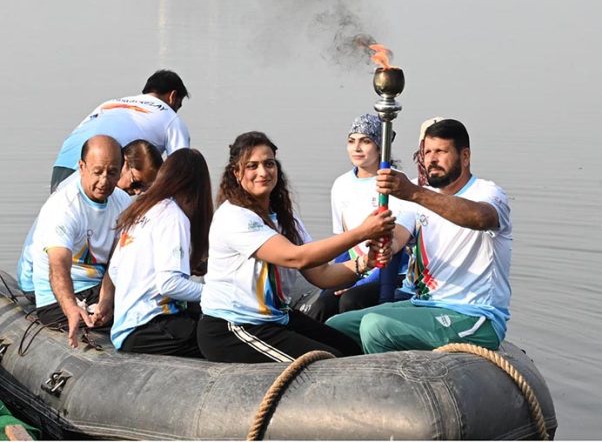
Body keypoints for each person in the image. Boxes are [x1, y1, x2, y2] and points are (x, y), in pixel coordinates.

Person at [197, 131, 395, 363]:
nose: (263, 172)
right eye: (252, 166)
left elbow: (321, 274)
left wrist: (365, 263)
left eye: (269, 164)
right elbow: (296, 258)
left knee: (349, 349)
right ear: (237, 173)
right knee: (328, 363)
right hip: (233, 327)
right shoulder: (234, 216)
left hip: (277, 318)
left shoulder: (284, 218)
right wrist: (362, 232)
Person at [326, 119, 512, 353]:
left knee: (375, 327)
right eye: (427, 152)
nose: (431, 159)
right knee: (336, 326)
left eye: (441, 152)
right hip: (424, 305)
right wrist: (383, 246)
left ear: (465, 157)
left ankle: (389, 387)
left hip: (474, 316)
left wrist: (414, 192)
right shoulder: (419, 200)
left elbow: (481, 218)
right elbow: (397, 239)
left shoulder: (488, 192)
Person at [16, 139, 163, 300]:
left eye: (145, 188)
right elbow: (54, 259)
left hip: (90, 277)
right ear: (123, 164)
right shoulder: (73, 197)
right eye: (136, 182)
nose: (137, 192)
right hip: (44, 283)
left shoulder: (119, 199)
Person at [108, 148, 213, 357]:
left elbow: (115, 270)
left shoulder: (141, 209)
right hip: (152, 327)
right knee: (220, 334)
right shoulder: (174, 216)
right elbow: (168, 284)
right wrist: (219, 294)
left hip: (125, 326)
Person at [30, 135, 132, 347]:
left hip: (97, 288)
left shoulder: (122, 201)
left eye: (112, 172)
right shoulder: (64, 207)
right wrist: (70, 307)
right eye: (97, 172)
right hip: (60, 297)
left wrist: (106, 299)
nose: (104, 181)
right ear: (81, 167)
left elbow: (117, 260)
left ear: (122, 169)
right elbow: (58, 264)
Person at [305, 113, 408, 322]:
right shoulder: (341, 185)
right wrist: (336, 277)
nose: (357, 148)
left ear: (380, 147)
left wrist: (358, 283)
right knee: (322, 306)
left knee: (350, 300)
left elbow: (394, 249)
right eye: (352, 141)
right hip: (357, 268)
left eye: (366, 141)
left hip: (391, 274)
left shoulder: (395, 184)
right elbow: (343, 244)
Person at [50, 69, 190, 192]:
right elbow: (180, 169)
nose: (176, 110)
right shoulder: (171, 118)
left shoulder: (110, 103)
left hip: (64, 163)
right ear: (172, 96)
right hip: (100, 168)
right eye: (178, 105)